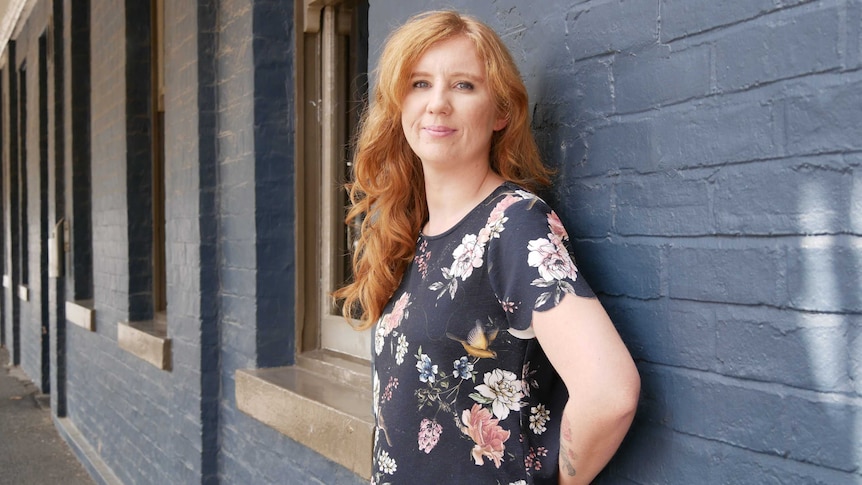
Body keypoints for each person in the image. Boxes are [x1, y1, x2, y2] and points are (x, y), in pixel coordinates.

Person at [335, 10, 640, 485]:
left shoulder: (513, 225)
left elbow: (610, 391)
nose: (437, 103)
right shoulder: (413, 231)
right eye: (419, 84)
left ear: (501, 113)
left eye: (463, 85)